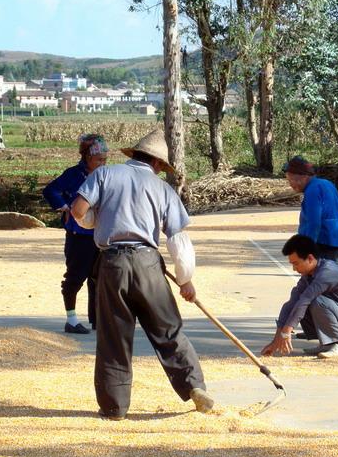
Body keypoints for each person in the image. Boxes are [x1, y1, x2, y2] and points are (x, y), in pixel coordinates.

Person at [69, 128, 214, 420]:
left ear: (134, 155)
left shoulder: (104, 175)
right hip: (147, 263)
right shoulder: (163, 190)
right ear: (158, 164)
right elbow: (177, 239)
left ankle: (114, 408)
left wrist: (96, 222)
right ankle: (194, 387)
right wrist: (186, 280)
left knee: (114, 339)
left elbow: (77, 210)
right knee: (168, 330)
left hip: (112, 263)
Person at [261, 234, 338, 360]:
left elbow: (306, 300)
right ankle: (328, 344)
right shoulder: (307, 276)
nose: (294, 269)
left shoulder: (328, 272)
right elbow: (291, 304)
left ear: (310, 258)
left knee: (316, 301)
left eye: (296, 263)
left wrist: (287, 331)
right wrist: (276, 340)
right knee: (297, 305)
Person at [42, 133, 108, 334]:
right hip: (79, 235)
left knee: (100, 278)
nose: (103, 163)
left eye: (105, 159)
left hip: (100, 234)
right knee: (75, 277)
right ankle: (71, 320)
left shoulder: (106, 174)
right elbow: (50, 190)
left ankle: (98, 321)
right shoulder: (73, 174)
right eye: (99, 159)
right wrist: (64, 207)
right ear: (88, 157)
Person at [283, 155, 338, 261]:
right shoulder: (327, 184)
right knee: (324, 272)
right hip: (336, 240)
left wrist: (307, 248)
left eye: (290, 180)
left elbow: (314, 223)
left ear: (304, 177)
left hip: (322, 242)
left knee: (318, 274)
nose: (290, 184)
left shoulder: (312, 191)